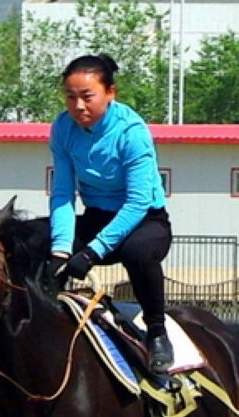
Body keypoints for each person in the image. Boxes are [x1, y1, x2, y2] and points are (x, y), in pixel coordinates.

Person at [48, 53, 174, 374]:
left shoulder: (131, 132)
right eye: (70, 97)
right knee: (37, 238)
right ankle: (45, 323)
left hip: (144, 221)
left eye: (87, 97)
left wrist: (92, 252)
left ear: (110, 93)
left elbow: (137, 203)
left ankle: (158, 333)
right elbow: (63, 193)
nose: (78, 106)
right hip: (97, 217)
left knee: (136, 251)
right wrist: (60, 248)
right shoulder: (63, 128)